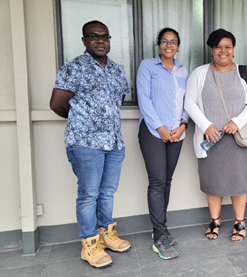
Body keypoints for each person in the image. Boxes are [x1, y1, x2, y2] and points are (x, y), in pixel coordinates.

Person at [49, 20, 131, 268]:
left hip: (114, 142)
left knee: (107, 192)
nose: (100, 40)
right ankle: (89, 244)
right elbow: (57, 105)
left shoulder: (117, 70)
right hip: (85, 143)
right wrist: (83, 122)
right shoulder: (73, 68)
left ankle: (106, 233)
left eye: (105, 36)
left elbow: (117, 101)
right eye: (94, 36)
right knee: (88, 196)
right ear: (84, 40)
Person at [184, 29, 247, 242]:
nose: (223, 51)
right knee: (213, 182)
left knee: (239, 181)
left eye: (227, 46)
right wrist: (206, 126)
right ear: (212, 50)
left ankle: (240, 222)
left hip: (239, 140)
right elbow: (189, 103)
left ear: (234, 50)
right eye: (218, 46)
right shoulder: (199, 73)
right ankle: (215, 221)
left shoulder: (246, 73)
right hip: (210, 140)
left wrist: (236, 122)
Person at [136, 28, 188, 260]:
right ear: (158, 45)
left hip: (177, 133)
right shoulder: (147, 66)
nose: (169, 45)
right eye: (164, 41)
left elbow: (187, 100)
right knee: (157, 182)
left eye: (173, 42)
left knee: (166, 181)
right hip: (152, 132)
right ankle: (159, 237)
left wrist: (183, 125)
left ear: (178, 45)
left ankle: (162, 229)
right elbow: (143, 99)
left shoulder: (183, 70)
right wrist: (161, 128)